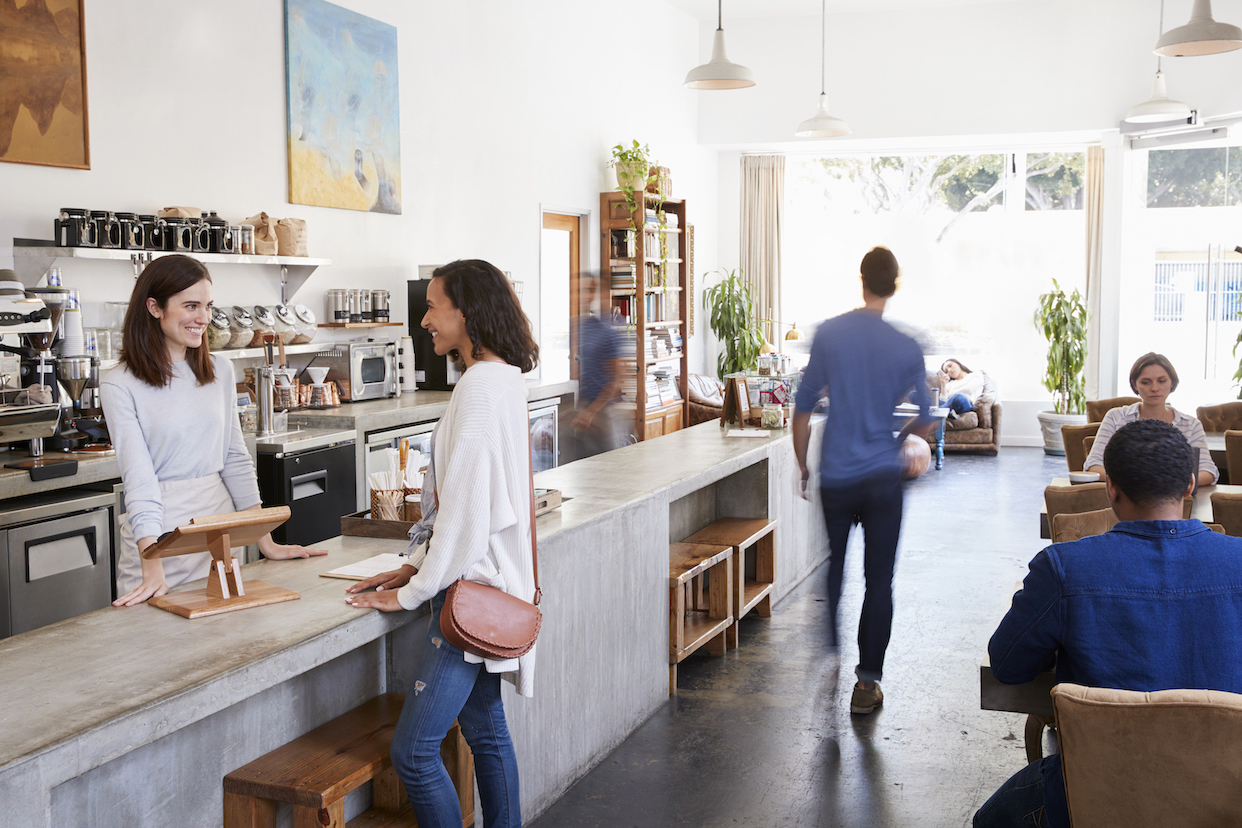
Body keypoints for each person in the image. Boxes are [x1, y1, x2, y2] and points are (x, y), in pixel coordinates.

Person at [345, 259, 538, 828]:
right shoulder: (499, 378)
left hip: (467, 594)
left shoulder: (480, 386)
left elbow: (466, 511)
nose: (423, 320)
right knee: (487, 732)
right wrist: (413, 565)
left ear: (467, 311)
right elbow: (463, 503)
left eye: (432, 307)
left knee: (414, 752)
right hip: (488, 587)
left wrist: (415, 589)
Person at [975, 419, 1242, 828]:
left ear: (1110, 487)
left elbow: (1008, 667)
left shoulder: (1064, 568)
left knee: (991, 819)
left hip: (1098, 786)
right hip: (1226, 791)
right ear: (1190, 485)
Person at [101, 255, 326, 607]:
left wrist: (264, 539)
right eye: (191, 305)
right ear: (154, 307)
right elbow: (139, 478)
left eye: (207, 306)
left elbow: (235, 458)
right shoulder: (119, 384)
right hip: (160, 536)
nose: (203, 318)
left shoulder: (219, 370)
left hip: (221, 534)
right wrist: (151, 560)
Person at [792, 246, 933, 715]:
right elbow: (930, 419)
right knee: (879, 580)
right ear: (895, 284)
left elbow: (804, 406)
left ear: (862, 280)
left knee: (834, 568)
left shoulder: (830, 333)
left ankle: (831, 654)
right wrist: (899, 442)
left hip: (836, 472)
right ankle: (867, 682)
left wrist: (802, 465)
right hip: (881, 478)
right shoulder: (907, 345)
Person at [1084, 352, 1217, 487]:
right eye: (1146, 382)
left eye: (1162, 381)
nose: (1154, 388)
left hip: (1176, 499)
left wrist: (1170, 485)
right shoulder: (1116, 417)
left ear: (1172, 382)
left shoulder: (1191, 425)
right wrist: (1137, 483)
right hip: (1127, 497)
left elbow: (1209, 472)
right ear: (1135, 385)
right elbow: (1093, 466)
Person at [568, 272, 623, 459]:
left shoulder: (605, 332)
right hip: (574, 414)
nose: (580, 295)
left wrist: (591, 413)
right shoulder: (571, 327)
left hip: (599, 415)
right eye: (576, 290)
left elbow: (616, 380)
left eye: (587, 290)